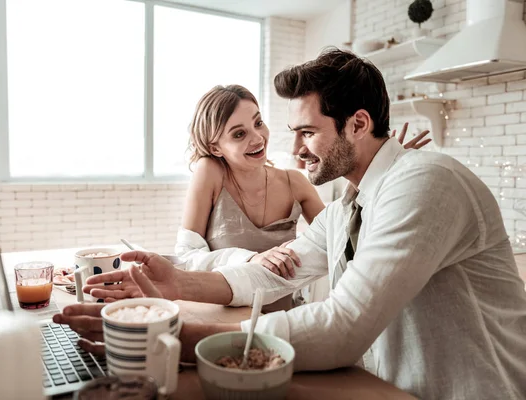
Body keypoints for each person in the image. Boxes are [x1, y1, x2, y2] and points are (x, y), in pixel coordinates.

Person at [54, 48, 526, 400]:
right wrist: (178, 281)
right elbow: (270, 270)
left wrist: (178, 335)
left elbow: (343, 327)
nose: (294, 147)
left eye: (307, 132)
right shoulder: (348, 206)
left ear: (358, 125)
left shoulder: (426, 181)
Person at [174, 84, 430, 310]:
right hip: (220, 315)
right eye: (239, 134)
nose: (258, 137)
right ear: (214, 147)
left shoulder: (294, 182)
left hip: (284, 317)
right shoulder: (210, 172)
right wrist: (249, 258)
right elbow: (186, 257)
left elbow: (341, 238)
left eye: (258, 122)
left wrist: (381, 171)